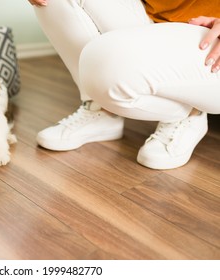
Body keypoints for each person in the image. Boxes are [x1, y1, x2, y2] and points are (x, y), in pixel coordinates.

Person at [28, 0, 220, 169]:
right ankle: (103, 111)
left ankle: (188, 113)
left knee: (104, 59)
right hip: (158, 20)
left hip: (211, 36)